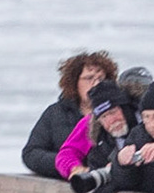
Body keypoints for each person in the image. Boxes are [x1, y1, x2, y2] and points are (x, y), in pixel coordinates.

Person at [22, 50, 117, 179]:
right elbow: (31, 153)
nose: (96, 84)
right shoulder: (55, 113)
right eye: (89, 78)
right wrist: (69, 165)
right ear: (74, 82)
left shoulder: (117, 115)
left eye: (101, 79)